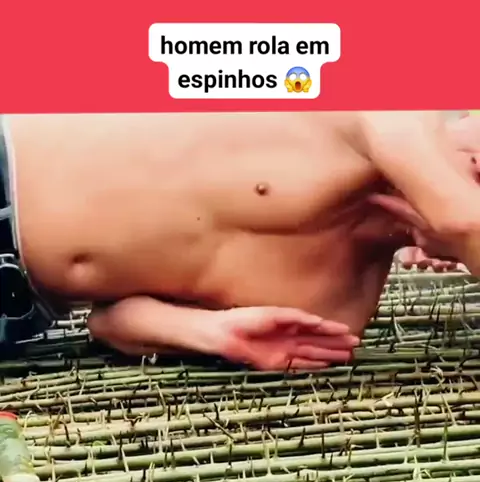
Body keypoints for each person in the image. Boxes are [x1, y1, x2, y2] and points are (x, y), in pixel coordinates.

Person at [1, 110, 479, 371]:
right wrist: (457, 230)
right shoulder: (395, 109)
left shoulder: (338, 310)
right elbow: (460, 218)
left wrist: (216, 333)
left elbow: (111, 323)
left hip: (18, 304)